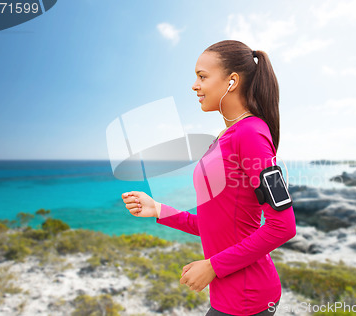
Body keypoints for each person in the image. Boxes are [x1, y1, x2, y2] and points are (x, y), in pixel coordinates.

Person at [121, 40, 296, 316]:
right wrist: (158, 209)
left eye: (202, 77)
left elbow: (282, 226)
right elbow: (217, 225)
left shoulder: (251, 134)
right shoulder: (224, 138)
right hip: (228, 298)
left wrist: (213, 266)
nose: (194, 85)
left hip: (249, 300)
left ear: (232, 81)